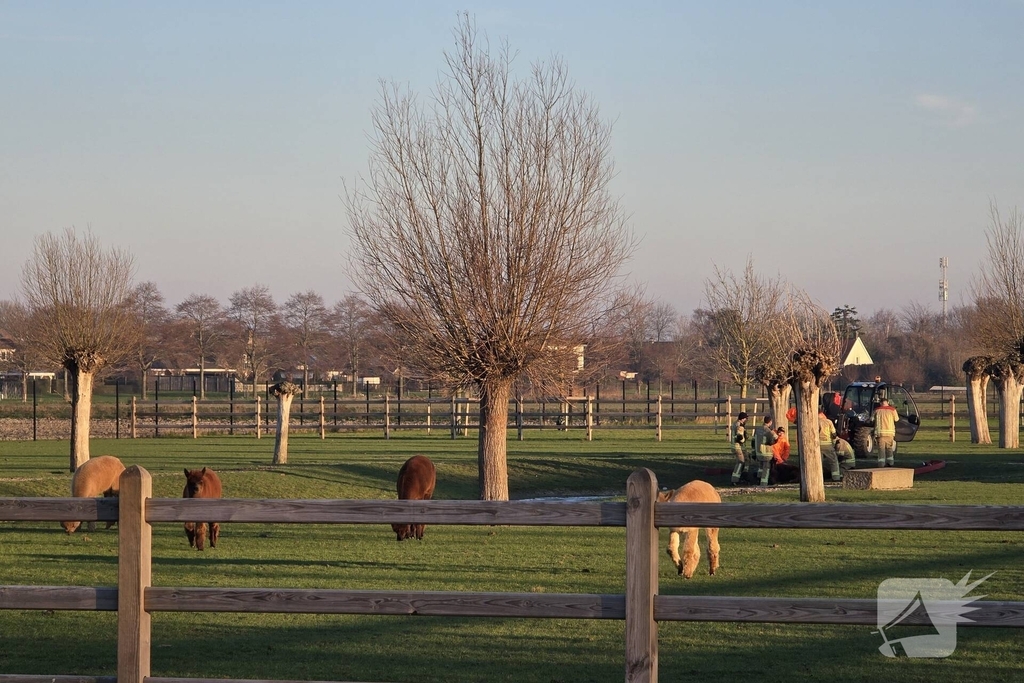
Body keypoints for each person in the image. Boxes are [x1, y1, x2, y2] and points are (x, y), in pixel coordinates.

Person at [752, 415, 778, 486]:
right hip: (766, 453)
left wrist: (753, 452)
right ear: (770, 422)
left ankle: (758, 480)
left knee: (760, 467)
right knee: (766, 468)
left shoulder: (757, 429)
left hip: (758, 452)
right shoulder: (768, 431)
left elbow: (753, 441)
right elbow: (774, 440)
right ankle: (763, 483)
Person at [874, 397, 899, 466]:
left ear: (880, 403)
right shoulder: (892, 410)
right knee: (889, 449)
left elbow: (871, 419)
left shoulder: (877, 410)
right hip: (890, 434)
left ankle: (881, 464)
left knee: (881, 450)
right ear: (887, 402)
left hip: (880, 434)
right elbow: (897, 419)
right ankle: (890, 463)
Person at [818, 409, 840, 482]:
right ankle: (836, 478)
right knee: (833, 461)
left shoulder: (815, 422)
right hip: (827, 444)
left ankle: (819, 478)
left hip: (818, 445)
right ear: (822, 414)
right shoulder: (828, 422)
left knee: (819, 462)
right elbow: (834, 434)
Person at [729, 412, 749, 485]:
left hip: (739, 446)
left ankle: (744, 475)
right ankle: (735, 479)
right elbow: (739, 436)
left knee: (746, 460)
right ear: (743, 419)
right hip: (738, 446)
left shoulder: (735, 424)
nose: (746, 420)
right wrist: (743, 438)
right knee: (740, 462)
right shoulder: (739, 426)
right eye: (746, 418)